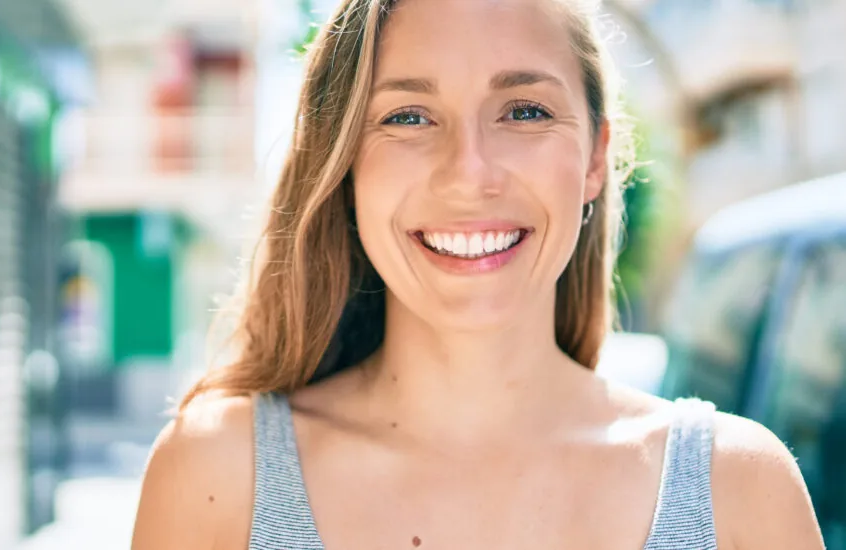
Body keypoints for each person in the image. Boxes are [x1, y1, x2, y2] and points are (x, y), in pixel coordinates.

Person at [130, 0, 825, 548]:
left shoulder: (739, 491)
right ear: (345, 167)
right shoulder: (219, 479)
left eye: (524, 111)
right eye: (408, 116)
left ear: (594, 158)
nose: (469, 174)